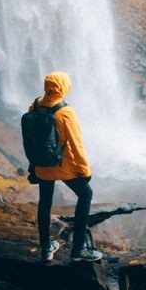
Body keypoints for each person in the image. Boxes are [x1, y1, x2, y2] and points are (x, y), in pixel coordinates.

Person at [29, 71, 102, 263]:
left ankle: (46, 248)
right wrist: (85, 171)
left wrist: (33, 165)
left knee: (45, 202)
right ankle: (79, 248)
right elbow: (76, 145)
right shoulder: (65, 112)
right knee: (86, 194)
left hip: (42, 164)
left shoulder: (35, 104)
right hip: (63, 165)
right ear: (64, 87)